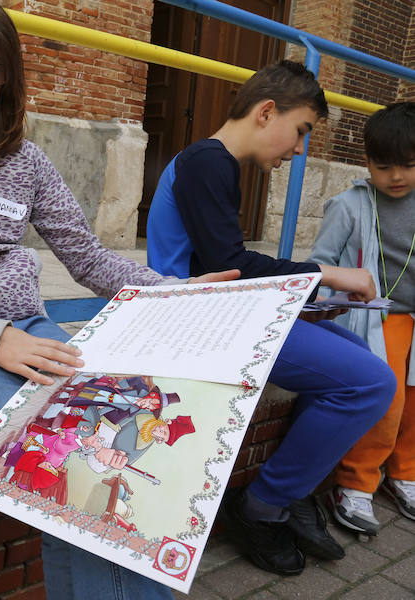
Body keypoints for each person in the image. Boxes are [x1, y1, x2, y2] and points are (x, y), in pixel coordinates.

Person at [0, 0, 235, 597]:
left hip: (34, 332)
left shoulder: (23, 159)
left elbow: (87, 257)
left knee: (122, 454)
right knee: (67, 462)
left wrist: (177, 292)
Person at [146, 60, 396, 575]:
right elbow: (229, 266)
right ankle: (263, 506)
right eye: (301, 130)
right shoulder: (206, 162)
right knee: (370, 382)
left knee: (360, 360)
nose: (299, 148)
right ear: (266, 112)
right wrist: (330, 274)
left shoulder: (215, 163)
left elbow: (227, 264)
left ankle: (295, 488)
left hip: (227, 311)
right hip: (199, 322)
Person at [307, 102, 415, 536]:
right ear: (366, 161)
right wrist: (340, 292)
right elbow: (317, 266)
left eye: (408, 166)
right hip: (377, 320)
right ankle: (355, 482)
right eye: (383, 166)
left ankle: (405, 472)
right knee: (387, 403)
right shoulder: (349, 206)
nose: (395, 176)